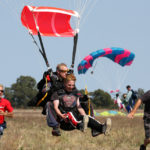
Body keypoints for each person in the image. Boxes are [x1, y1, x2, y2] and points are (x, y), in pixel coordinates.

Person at [46, 73, 112, 136]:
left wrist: (85, 117)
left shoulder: (76, 93)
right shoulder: (57, 93)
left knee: (87, 117)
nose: (71, 87)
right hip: (64, 121)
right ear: (64, 83)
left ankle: (101, 128)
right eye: (69, 85)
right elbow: (55, 107)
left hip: (75, 119)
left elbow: (79, 107)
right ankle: (81, 125)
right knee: (70, 113)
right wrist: (61, 115)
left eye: (73, 85)